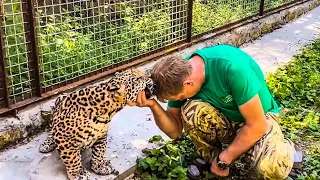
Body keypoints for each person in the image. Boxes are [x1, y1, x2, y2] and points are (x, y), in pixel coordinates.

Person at [133, 44, 301, 179]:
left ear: (188, 83)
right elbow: (175, 132)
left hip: (260, 120)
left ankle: (286, 150)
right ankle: (213, 158)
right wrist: (153, 106)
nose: (178, 99)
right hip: (227, 120)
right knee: (192, 111)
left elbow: (256, 125)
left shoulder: (233, 69)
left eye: (179, 96)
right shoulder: (177, 75)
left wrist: (225, 159)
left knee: (273, 168)